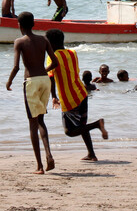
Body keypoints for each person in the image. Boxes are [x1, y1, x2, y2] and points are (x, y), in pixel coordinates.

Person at [6, 11, 59, 174]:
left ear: (19, 26)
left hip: (31, 82)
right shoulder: (43, 39)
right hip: (45, 80)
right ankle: (49, 154)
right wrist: (43, 70)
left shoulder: (19, 42)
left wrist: (9, 82)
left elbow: (16, 67)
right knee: (41, 120)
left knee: (32, 124)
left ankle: (39, 166)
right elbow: (55, 62)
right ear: (34, 24)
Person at [44, 29, 108, 161]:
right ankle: (91, 154)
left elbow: (51, 78)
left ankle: (97, 124)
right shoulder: (72, 53)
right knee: (82, 126)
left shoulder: (52, 56)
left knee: (70, 131)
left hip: (69, 98)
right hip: (82, 93)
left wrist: (53, 97)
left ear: (51, 43)